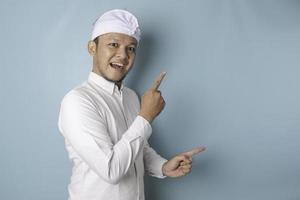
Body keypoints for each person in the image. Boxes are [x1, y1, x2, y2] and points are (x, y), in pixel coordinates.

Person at [58, 9, 205, 200]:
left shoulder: (130, 97)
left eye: (131, 48)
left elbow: (138, 149)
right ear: (92, 48)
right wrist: (146, 116)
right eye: (113, 44)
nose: (123, 55)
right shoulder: (77, 101)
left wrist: (163, 167)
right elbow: (111, 170)